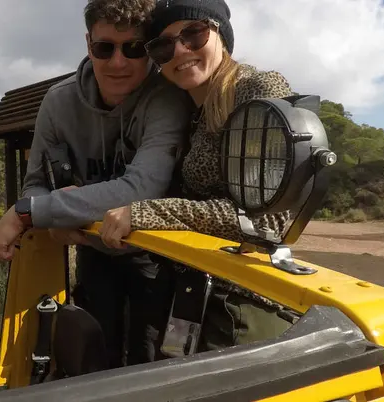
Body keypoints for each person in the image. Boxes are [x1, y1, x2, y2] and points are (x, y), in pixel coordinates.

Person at [0, 0, 193, 368]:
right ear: (87, 43)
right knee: (93, 360)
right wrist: (53, 218)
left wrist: (28, 213)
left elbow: (142, 188)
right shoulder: (59, 102)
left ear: (150, 50)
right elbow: (36, 183)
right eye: (104, 47)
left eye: (133, 48)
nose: (118, 62)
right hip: (92, 250)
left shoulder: (168, 98)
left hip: (156, 253)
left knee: (152, 366)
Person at [98, 0, 297, 351]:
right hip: (187, 298)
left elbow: (268, 219)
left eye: (193, 34)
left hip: (243, 304)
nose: (179, 50)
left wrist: (145, 213)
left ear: (220, 34)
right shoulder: (182, 110)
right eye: (162, 45)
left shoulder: (256, 90)